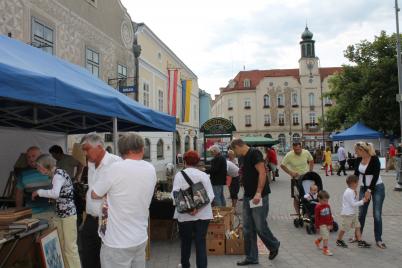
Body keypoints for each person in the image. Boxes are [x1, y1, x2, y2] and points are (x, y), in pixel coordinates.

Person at [91, 133, 156, 268]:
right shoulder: (150, 168)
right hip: (140, 237)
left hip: (117, 241)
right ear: (142, 149)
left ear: (122, 151)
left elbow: (94, 194)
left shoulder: (114, 168)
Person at [230, 139, 280, 266]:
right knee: (247, 228)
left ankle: (273, 244)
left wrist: (258, 192)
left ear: (238, 146)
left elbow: (262, 173)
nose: (235, 154)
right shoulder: (243, 157)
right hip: (248, 196)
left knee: (259, 226)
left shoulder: (255, 153)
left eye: (235, 151)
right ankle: (251, 257)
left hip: (259, 196)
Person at [80, 133, 121, 268]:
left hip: (107, 220)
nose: (85, 153)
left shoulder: (116, 163)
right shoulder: (91, 164)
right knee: (87, 256)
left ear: (99, 147)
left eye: (87, 149)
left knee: (106, 258)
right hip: (91, 219)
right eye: (84, 150)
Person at [32, 154, 81, 268]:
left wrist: (39, 192)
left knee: (70, 247)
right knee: (63, 245)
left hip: (68, 215)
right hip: (63, 214)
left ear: (46, 166)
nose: (38, 170)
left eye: (39, 167)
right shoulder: (58, 173)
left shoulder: (57, 175)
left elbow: (55, 194)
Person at [172, 151, 214, 268]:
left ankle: (185, 265)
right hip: (203, 214)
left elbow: (175, 194)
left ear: (184, 161)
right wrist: (198, 209)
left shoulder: (179, 175)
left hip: (185, 216)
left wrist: (189, 209)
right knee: (200, 243)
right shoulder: (203, 175)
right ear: (198, 162)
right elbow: (211, 195)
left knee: (185, 242)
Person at [354, 141, 386, 249]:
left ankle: (379, 239)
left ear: (363, 150)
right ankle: (357, 236)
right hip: (364, 187)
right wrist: (353, 188)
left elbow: (376, 176)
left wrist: (369, 191)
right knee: (361, 213)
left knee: (376, 214)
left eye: (357, 151)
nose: (355, 153)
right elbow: (356, 175)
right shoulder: (358, 159)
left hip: (377, 187)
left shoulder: (374, 159)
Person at [15, 146, 53, 217]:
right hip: (32, 213)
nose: (31, 159)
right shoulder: (23, 173)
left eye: (33, 156)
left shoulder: (51, 170)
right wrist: (19, 210)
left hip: (51, 212)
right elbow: (19, 193)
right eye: (28, 157)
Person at [336, 175, 371, 248]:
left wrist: (358, 197)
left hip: (353, 213)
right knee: (344, 228)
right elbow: (353, 204)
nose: (358, 184)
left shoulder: (352, 191)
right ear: (352, 183)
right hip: (348, 214)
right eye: (357, 183)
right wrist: (363, 201)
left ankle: (360, 241)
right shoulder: (349, 192)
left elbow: (353, 201)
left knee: (358, 226)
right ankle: (339, 240)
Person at [280, 142, 314, 215]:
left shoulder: (306, 152)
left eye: (299, 149)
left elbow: (311, 160)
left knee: (308, 195)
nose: (297, 151)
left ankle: (307, 212)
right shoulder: (289, 155)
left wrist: (310, 171)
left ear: (301, 147)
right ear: (293, 149)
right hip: (295, 179)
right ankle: (298, 214)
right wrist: (290, 172)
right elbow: (282, 165)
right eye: (295, 150)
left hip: (306, 177)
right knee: (296, 197)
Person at [314, 190, 334, 256]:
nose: (326, 202)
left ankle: (317, 241)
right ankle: (325, 250)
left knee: (325, 235)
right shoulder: (317, 207)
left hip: (327, 224)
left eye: (327, 200)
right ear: (319, 199)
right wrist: (317, 227)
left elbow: (330, 215)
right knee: (326, 236)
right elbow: (316, 218)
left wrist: (331, 223)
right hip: (321, 224)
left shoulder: (327, 206)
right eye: (324, 201)